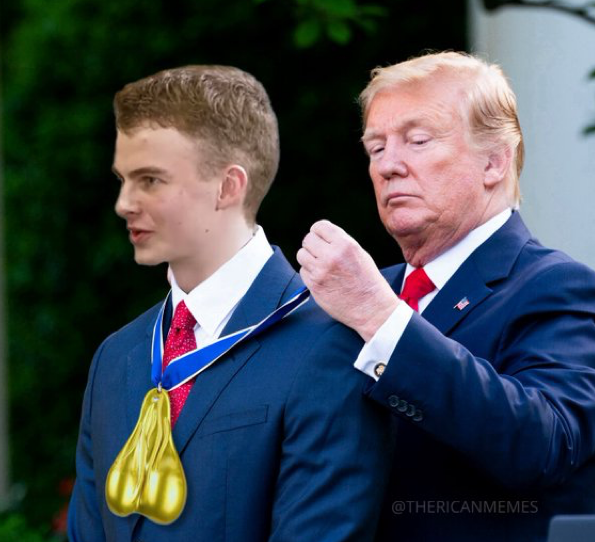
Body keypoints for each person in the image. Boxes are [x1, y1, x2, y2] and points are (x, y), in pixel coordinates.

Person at [297, 52, 595, 542]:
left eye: (417, 140)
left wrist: (381, 318)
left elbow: (543, 446)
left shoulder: (562, 289)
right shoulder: (358, 297)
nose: (388, 165)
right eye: (375, 147)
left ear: (494, 162)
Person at [68, 65, 393, 542]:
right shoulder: (115, 358)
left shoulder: (330, 349)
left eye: (150, 180)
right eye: (123, 179)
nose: (125, 203)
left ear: (228, 187)